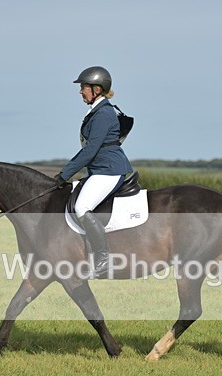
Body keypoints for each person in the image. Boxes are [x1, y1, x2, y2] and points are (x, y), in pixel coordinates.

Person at [55, 66, 134, 277]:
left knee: (81, 207)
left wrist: (64, 174)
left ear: (96, 89)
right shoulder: (97, 111)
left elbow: (90, 150)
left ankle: (102, 259)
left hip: (109, 170)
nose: (81, 91)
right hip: (99, 170)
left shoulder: (104, 113)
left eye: (84, 87)